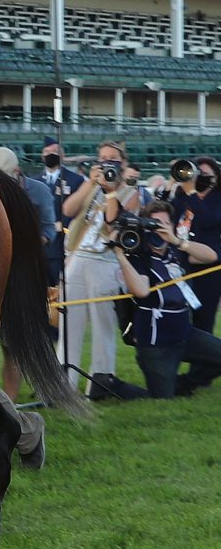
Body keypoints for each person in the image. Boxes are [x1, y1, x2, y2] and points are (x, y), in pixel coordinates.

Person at [110, 204, 221, 400]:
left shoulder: (176, 251)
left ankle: (185, 384)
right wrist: (120, 255)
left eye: (164, 223)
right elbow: (141, 291)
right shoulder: (139, 255)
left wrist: (178, 241)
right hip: (156, 344)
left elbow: (211, 256)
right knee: (160, 398)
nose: (159, 228)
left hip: (185, 334)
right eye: (154, 223)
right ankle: (109, 386)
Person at [61, 139, 134, 398]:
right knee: (70, 321)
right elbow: (68, 209)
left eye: (113, 158)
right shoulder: (91, 185)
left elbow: (114, 222)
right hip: (79, 255)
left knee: (103, 324)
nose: (107, 163)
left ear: (123, 163)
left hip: (105, 259)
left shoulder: (131, 190)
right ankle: (64, 384)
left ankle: (100, 383)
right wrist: (91, 183)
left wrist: (111, 189)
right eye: (103, 158)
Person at [0, 146, 59, 401]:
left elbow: (51, 230)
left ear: (17, 172)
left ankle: (10, 405)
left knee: (14, 347)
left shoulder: (38, 192)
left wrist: (29, 242)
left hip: (22, 277)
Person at [167, 155, 221, 350]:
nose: (202, 178)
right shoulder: (182, 197)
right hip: (182, 265)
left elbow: (208, 221)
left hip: (208, 269)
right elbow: (163, 213)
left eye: (207, 174)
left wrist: (192, 194)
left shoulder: (217, 199)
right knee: (178, 318)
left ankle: (201, 373)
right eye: (198, 173)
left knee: (203, 320)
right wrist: (171, 184)